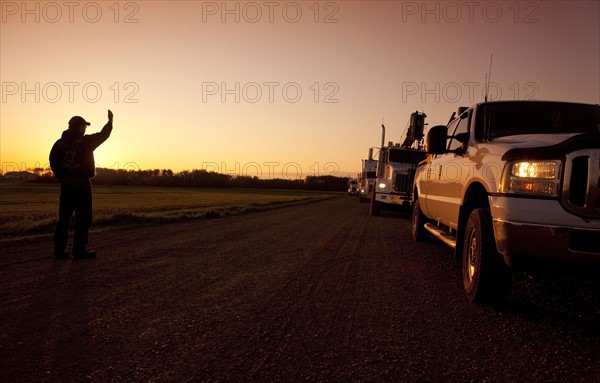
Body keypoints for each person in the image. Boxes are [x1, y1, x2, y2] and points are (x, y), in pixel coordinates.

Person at [49, 110, 114, 260]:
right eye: (84, 126)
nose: (85, 129)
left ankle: (59, 250)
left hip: (66, 185)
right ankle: (79, 250)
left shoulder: (58, 144)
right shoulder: (86, 141)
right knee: (83, 217)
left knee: (63, 217)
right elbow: (103, 135)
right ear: (79, 127)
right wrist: (110, 122)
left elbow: (53, 161)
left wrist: (62, 178)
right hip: (82, 184)